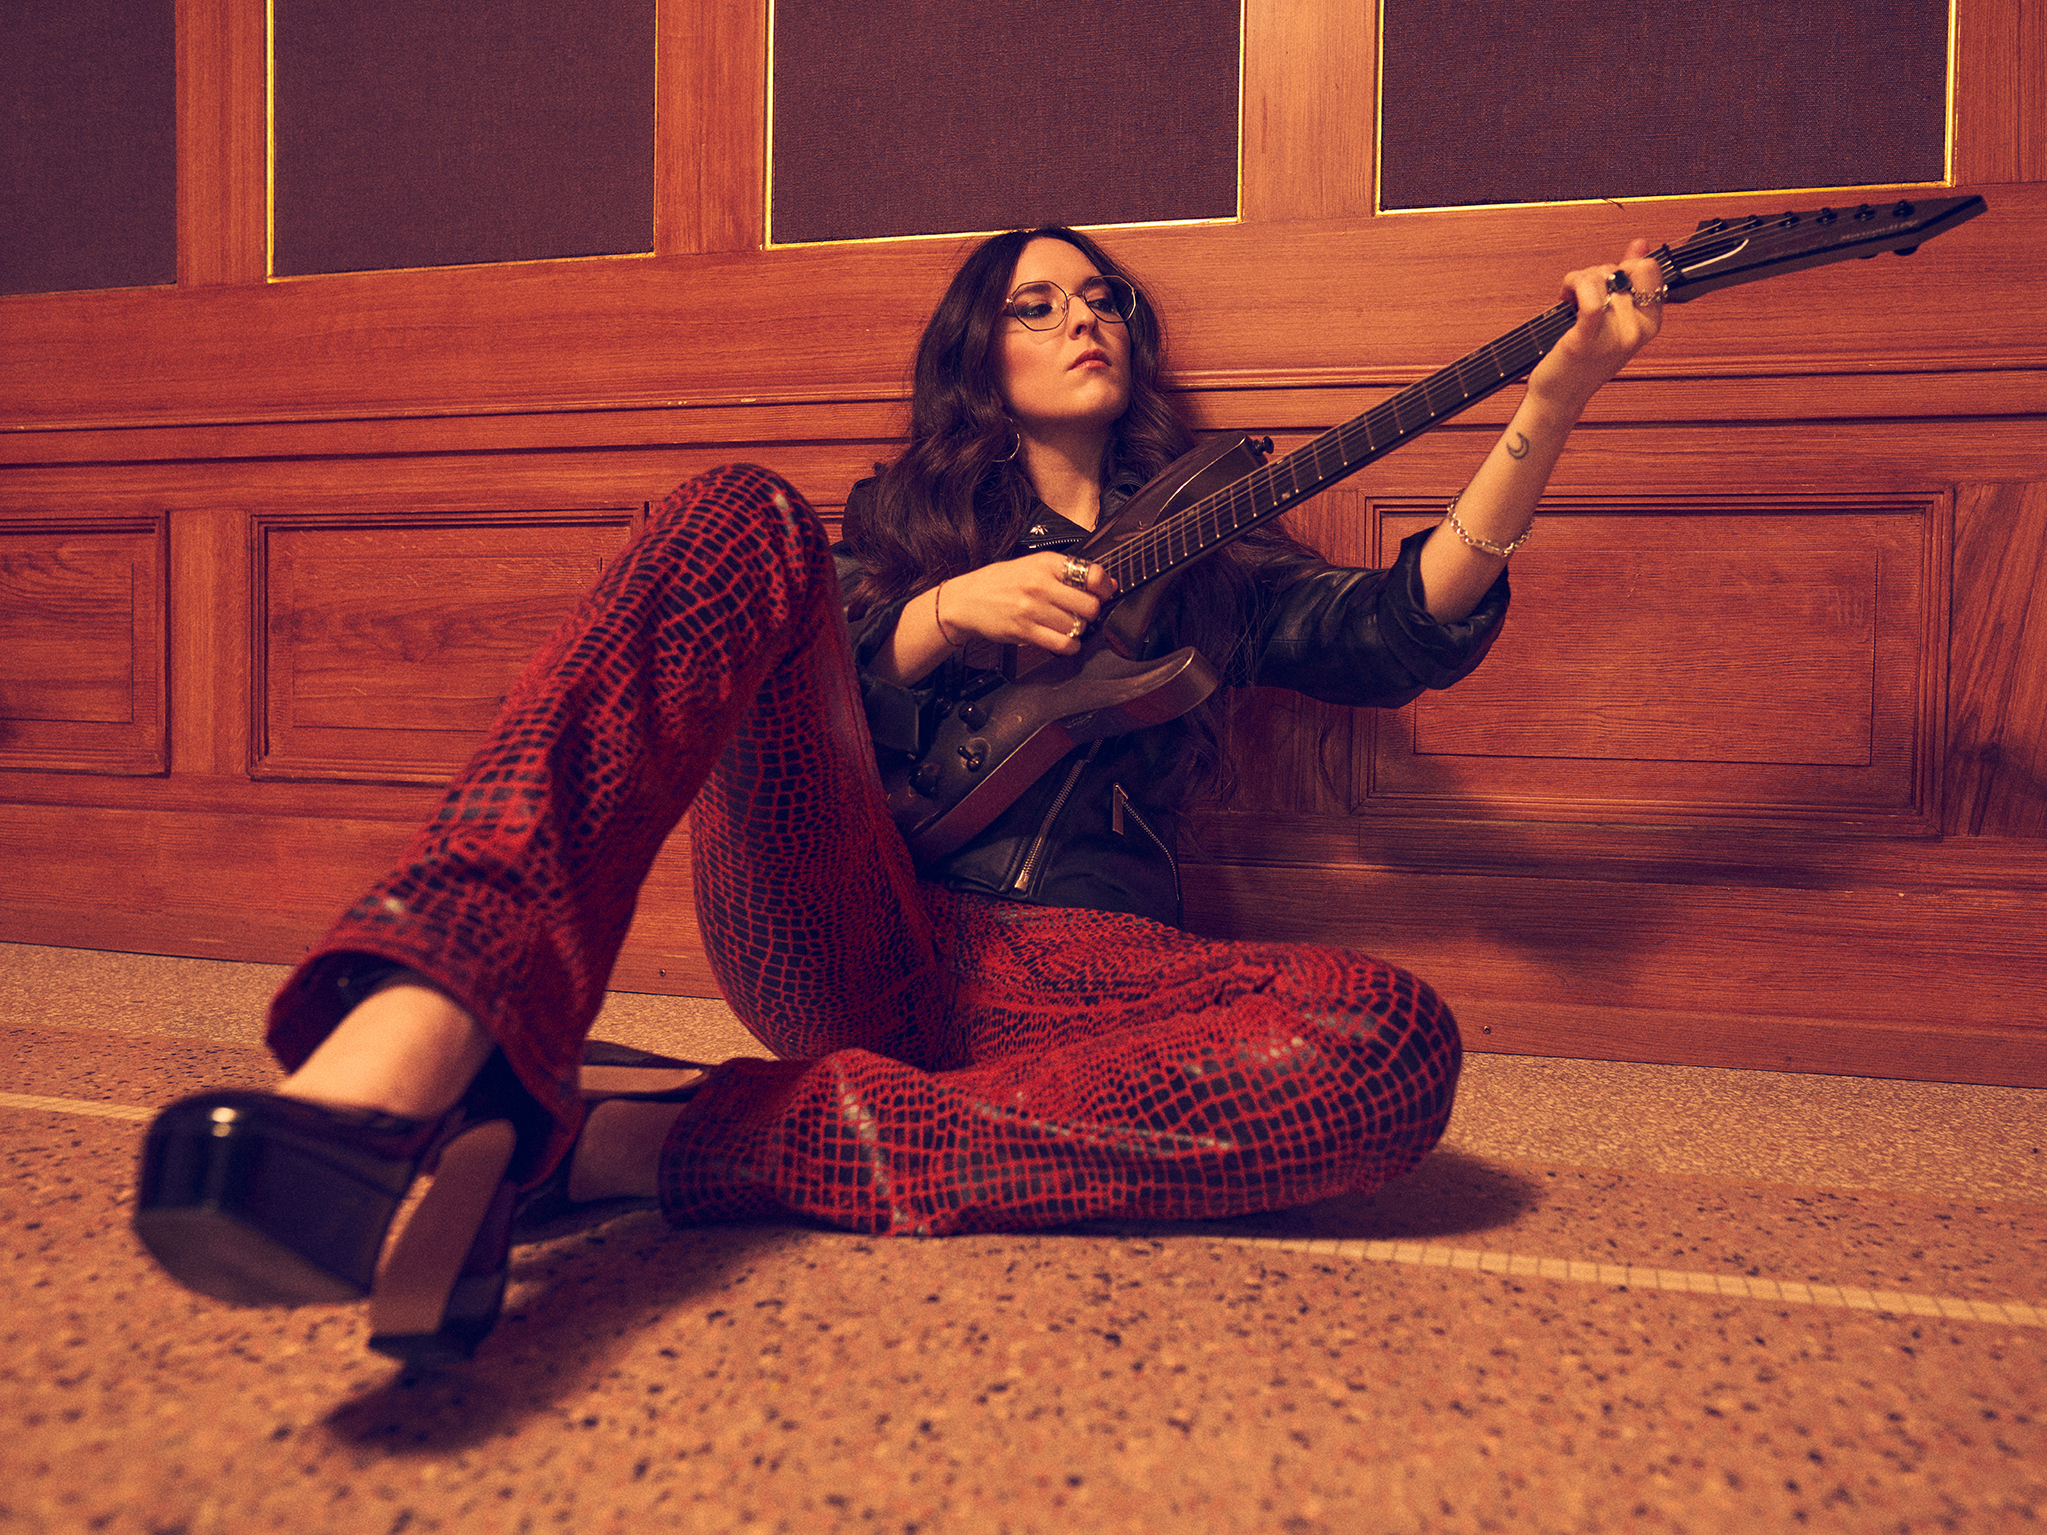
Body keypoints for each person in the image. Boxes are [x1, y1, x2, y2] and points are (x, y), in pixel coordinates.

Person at [134, 226, 1667, 1366]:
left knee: (1386, 1043)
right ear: (977, 354)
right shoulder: (897, 527)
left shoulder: (1214, 539)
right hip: (848, 917)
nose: (1082, 318)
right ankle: (407, 1048)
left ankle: (625, 1139)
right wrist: (936, 616)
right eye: (1036, 303)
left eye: (1102, 298)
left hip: (1084, 980)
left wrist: (1557, 396)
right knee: (737, 513)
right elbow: (784, 696)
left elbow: (1396, 631)